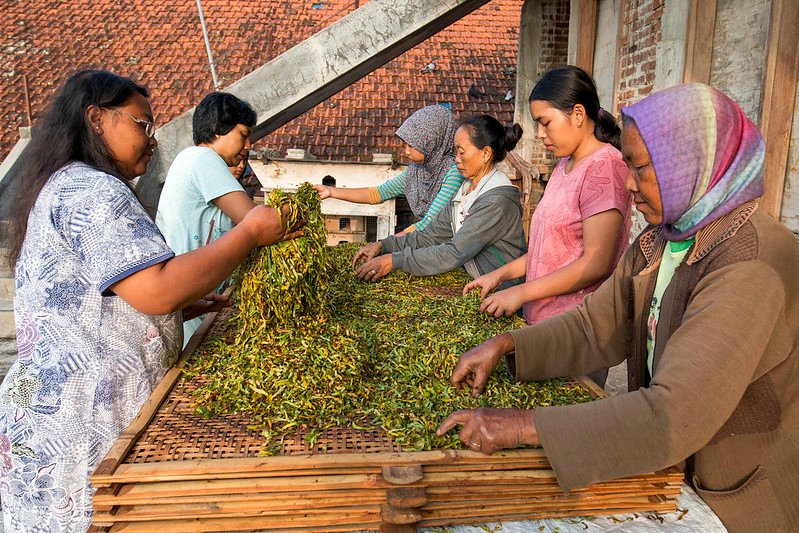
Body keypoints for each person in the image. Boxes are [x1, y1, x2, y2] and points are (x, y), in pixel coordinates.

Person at [436, 83, 799, 532]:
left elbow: (675, 412)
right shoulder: (660, 241)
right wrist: (510, 344)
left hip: (736, 493)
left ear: (692, 167)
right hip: (676, 476)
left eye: (640, 168)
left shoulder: (751, 262)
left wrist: (523, 427)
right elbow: (594, 327)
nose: (628, 183)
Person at [0, 70, 301, 533]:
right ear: (97, 119)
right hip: (76, 423)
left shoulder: (69, 183)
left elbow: (99, 294)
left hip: (56, 407)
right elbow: (155, 288)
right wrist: (250, 233)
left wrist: (182, 308)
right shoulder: (90, 190)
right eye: (142, 125)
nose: (153, 139)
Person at [464, 66, 632, 386]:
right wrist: (500, 275)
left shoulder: (605, 167)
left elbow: (597, 263)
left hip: (578, 330)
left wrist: (522, 292)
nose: (541, 134)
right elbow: (548, 249)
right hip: (543, 324)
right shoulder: (565, 165)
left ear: (578, 114)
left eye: (545, 123)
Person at [353, 115, 526, 283]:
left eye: (462, 152)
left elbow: (454, 253)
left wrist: (395, 261)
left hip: (502, 291)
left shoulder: (496, 201)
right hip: (479, 280)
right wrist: (384, 245)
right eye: (456, 151)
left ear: (486, 153)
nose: (456, 159)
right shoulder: (466, 190)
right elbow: (430, 236)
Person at [156, 91, 261, 346]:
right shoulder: (202, 159)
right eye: (243, 135)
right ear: (217, 130)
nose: (248, 146)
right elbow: (254, 220)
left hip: (195, 301)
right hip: (191, 302)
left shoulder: (191, 161)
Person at [314, 105, 464, 234]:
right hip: (427, 244)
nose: (406, 152)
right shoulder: (417, 170)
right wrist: (331, 191)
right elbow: (377, 193)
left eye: (411, 146)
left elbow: (429, 223)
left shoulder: (455, 172)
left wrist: (384, 246)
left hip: (450, 250)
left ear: (432, 141)